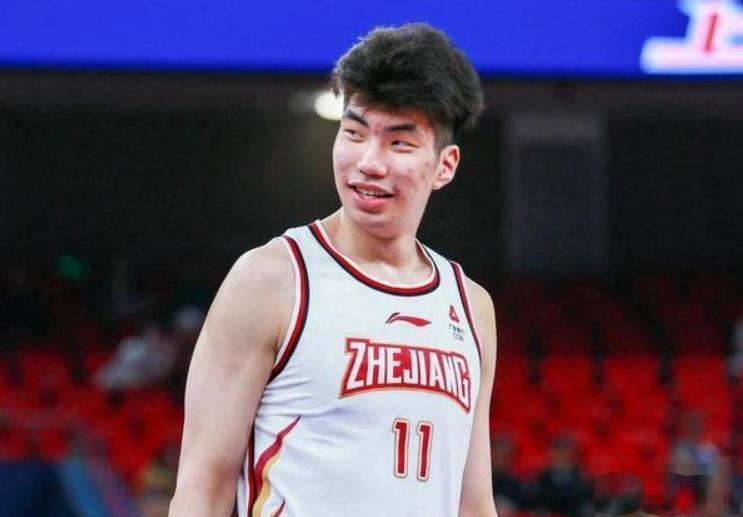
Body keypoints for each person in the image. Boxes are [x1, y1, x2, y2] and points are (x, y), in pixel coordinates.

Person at [169, 23, 496, 517]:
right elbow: (202, 486)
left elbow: (474, 503)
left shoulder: (471, 306)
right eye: (355, 134)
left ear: (445, 165)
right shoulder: (272, 280)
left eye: (399, 143)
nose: (368, 162)